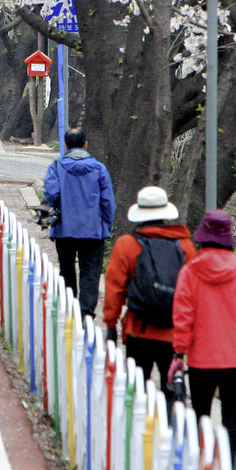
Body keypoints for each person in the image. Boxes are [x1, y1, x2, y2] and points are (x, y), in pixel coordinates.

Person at [171, 209, 236, 452]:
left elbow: (183, 318)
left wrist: (178, 355)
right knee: (232, 414)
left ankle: (200, 465)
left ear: (203, 236)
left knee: (200, 414)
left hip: (201, 359)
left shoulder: (190, 272)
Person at [100, 185, 198, 394]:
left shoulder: (126, 244)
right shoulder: (186, 247)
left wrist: (110, 324)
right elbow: (194, 294)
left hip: (138, 329)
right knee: (170, 389)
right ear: (166, 215)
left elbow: (114, 288)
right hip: (173, 333)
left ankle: (137, 425)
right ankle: (170, 423)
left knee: (136, 389)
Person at [42, 127, 115, 318]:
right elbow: (108, 202)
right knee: (90, 271)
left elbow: (51, 194)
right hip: (93, 230)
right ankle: (86, 312)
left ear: (65, 145)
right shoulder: (99, 168)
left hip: (64, 229)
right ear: (86, 144)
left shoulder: (57, 166)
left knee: (66, 268)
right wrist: (105, 226)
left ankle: (69, 305)